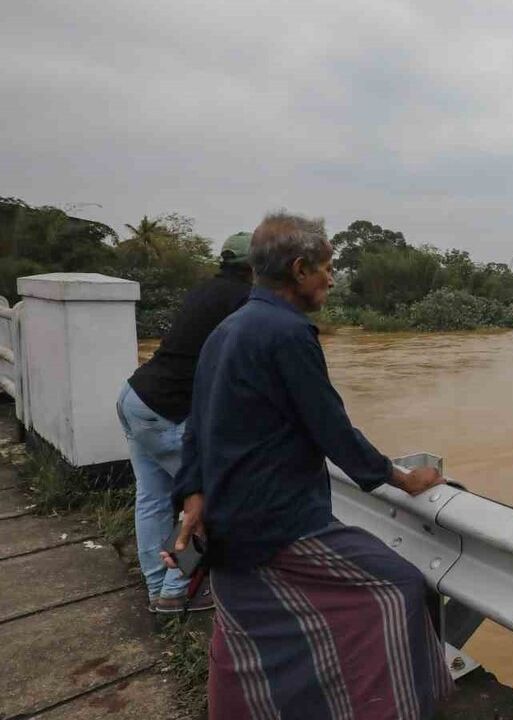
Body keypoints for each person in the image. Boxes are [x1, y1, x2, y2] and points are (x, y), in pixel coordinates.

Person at [166, 212, 454, 719]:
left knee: (250, 635)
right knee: (399, 587)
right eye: (326, 267)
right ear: (299, 270)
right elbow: (331, 429)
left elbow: (198, 420)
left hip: (226, 523)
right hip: (275, 521)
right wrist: (404, 478)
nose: (331, 278)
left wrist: (192, 494)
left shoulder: (228, 329)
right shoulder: (288, 333)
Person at [117, 232, 254, 613]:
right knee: (211, 497)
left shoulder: (203, 290)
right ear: (256, 266)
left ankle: (157, 586)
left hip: (135, 395)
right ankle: (177, 590)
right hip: (169, 411)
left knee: (152, 497)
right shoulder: (244, 300)